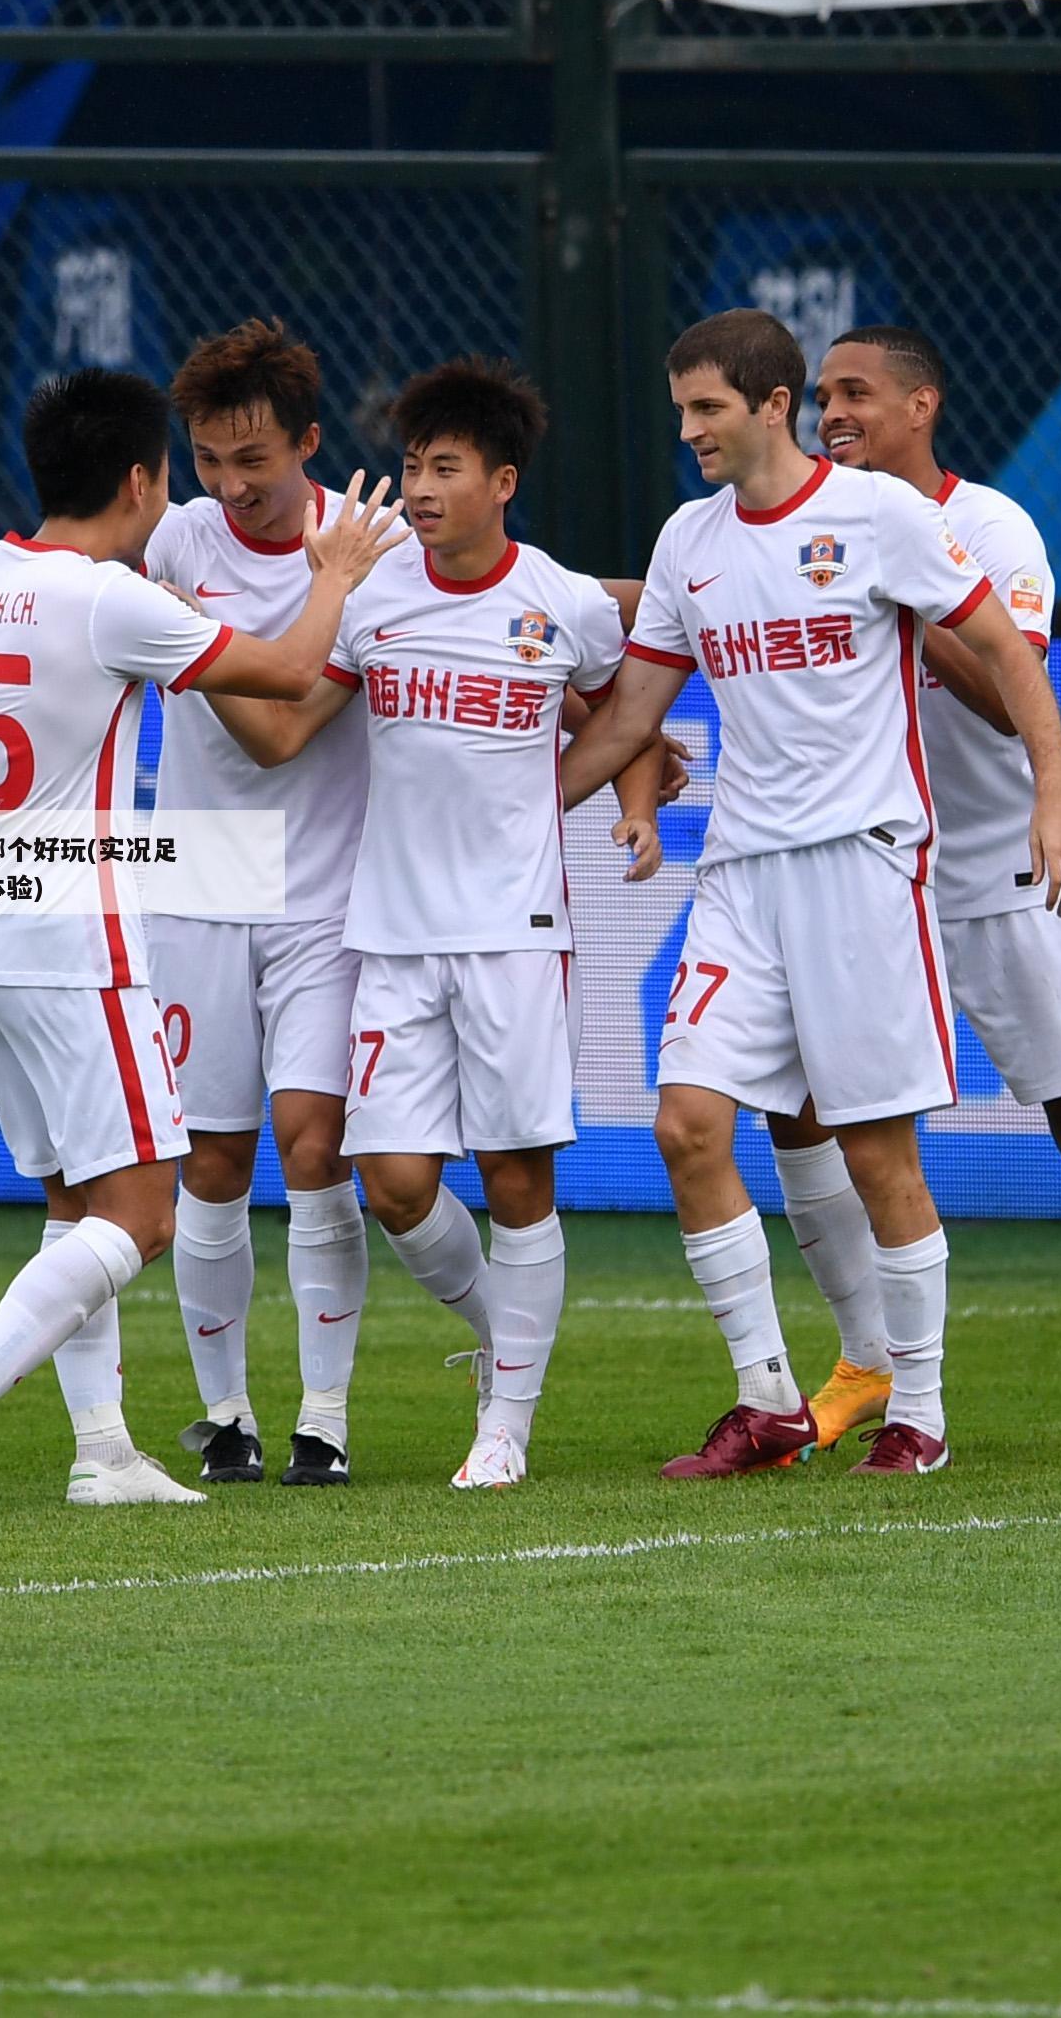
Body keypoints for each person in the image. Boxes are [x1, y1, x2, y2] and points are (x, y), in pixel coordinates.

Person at [559, 310, 1061, 1478]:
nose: (687, 430)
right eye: (678, 409)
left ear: (771, 404)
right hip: (740, 874)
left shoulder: (879, 517)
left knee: (874, 1155)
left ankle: (922, 1415)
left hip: (863, 863)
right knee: (686, 1125)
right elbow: (636, 715)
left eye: (705, 408)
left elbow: (1008, 656)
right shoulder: (688, 543)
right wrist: (518, 808)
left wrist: (1055, 794)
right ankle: (766, 1401)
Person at [0, 367, 406, 1515]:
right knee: (144, 1215)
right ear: (139, 478)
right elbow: (280, 674)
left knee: (74, 1205)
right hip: (76, 937)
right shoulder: (108, 599)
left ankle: (103, 1450)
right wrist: (334, 575)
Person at [201, 360, 665, 1487]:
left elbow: (632, 714)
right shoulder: (373, 599)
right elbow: (288, 728)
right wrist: (193, 645)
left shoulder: (559, 600)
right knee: (395, 1181)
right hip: (390, 936)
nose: (418, 489)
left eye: (443, 469)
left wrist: (631, 802)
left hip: (513, 930)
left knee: (515, 1175)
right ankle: (502, 1330)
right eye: (410, 467)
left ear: (501, 481)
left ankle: (505, 1425)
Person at [798, 327, 1061, 1457]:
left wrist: (911, 598)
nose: (833, 413)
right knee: (802, 1111)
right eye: (821, 395)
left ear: (923, 403)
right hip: (871, 877)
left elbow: (1005, 692)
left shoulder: (989, 528)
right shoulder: (808, 528)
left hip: (1001, 873)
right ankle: (867, 1360)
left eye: (856, 393)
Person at [132, 320, 377, 1487]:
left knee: (313, 1144)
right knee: (216, 1162)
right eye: (208, 460)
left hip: (325, 893)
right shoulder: (173, 543)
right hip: (193, 888)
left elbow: (531, 600)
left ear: (308, 444)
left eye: (253, 462)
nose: (229, 487)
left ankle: (322, 1418)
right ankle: (224, 1416)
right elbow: (260, 721)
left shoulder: (365, 545)